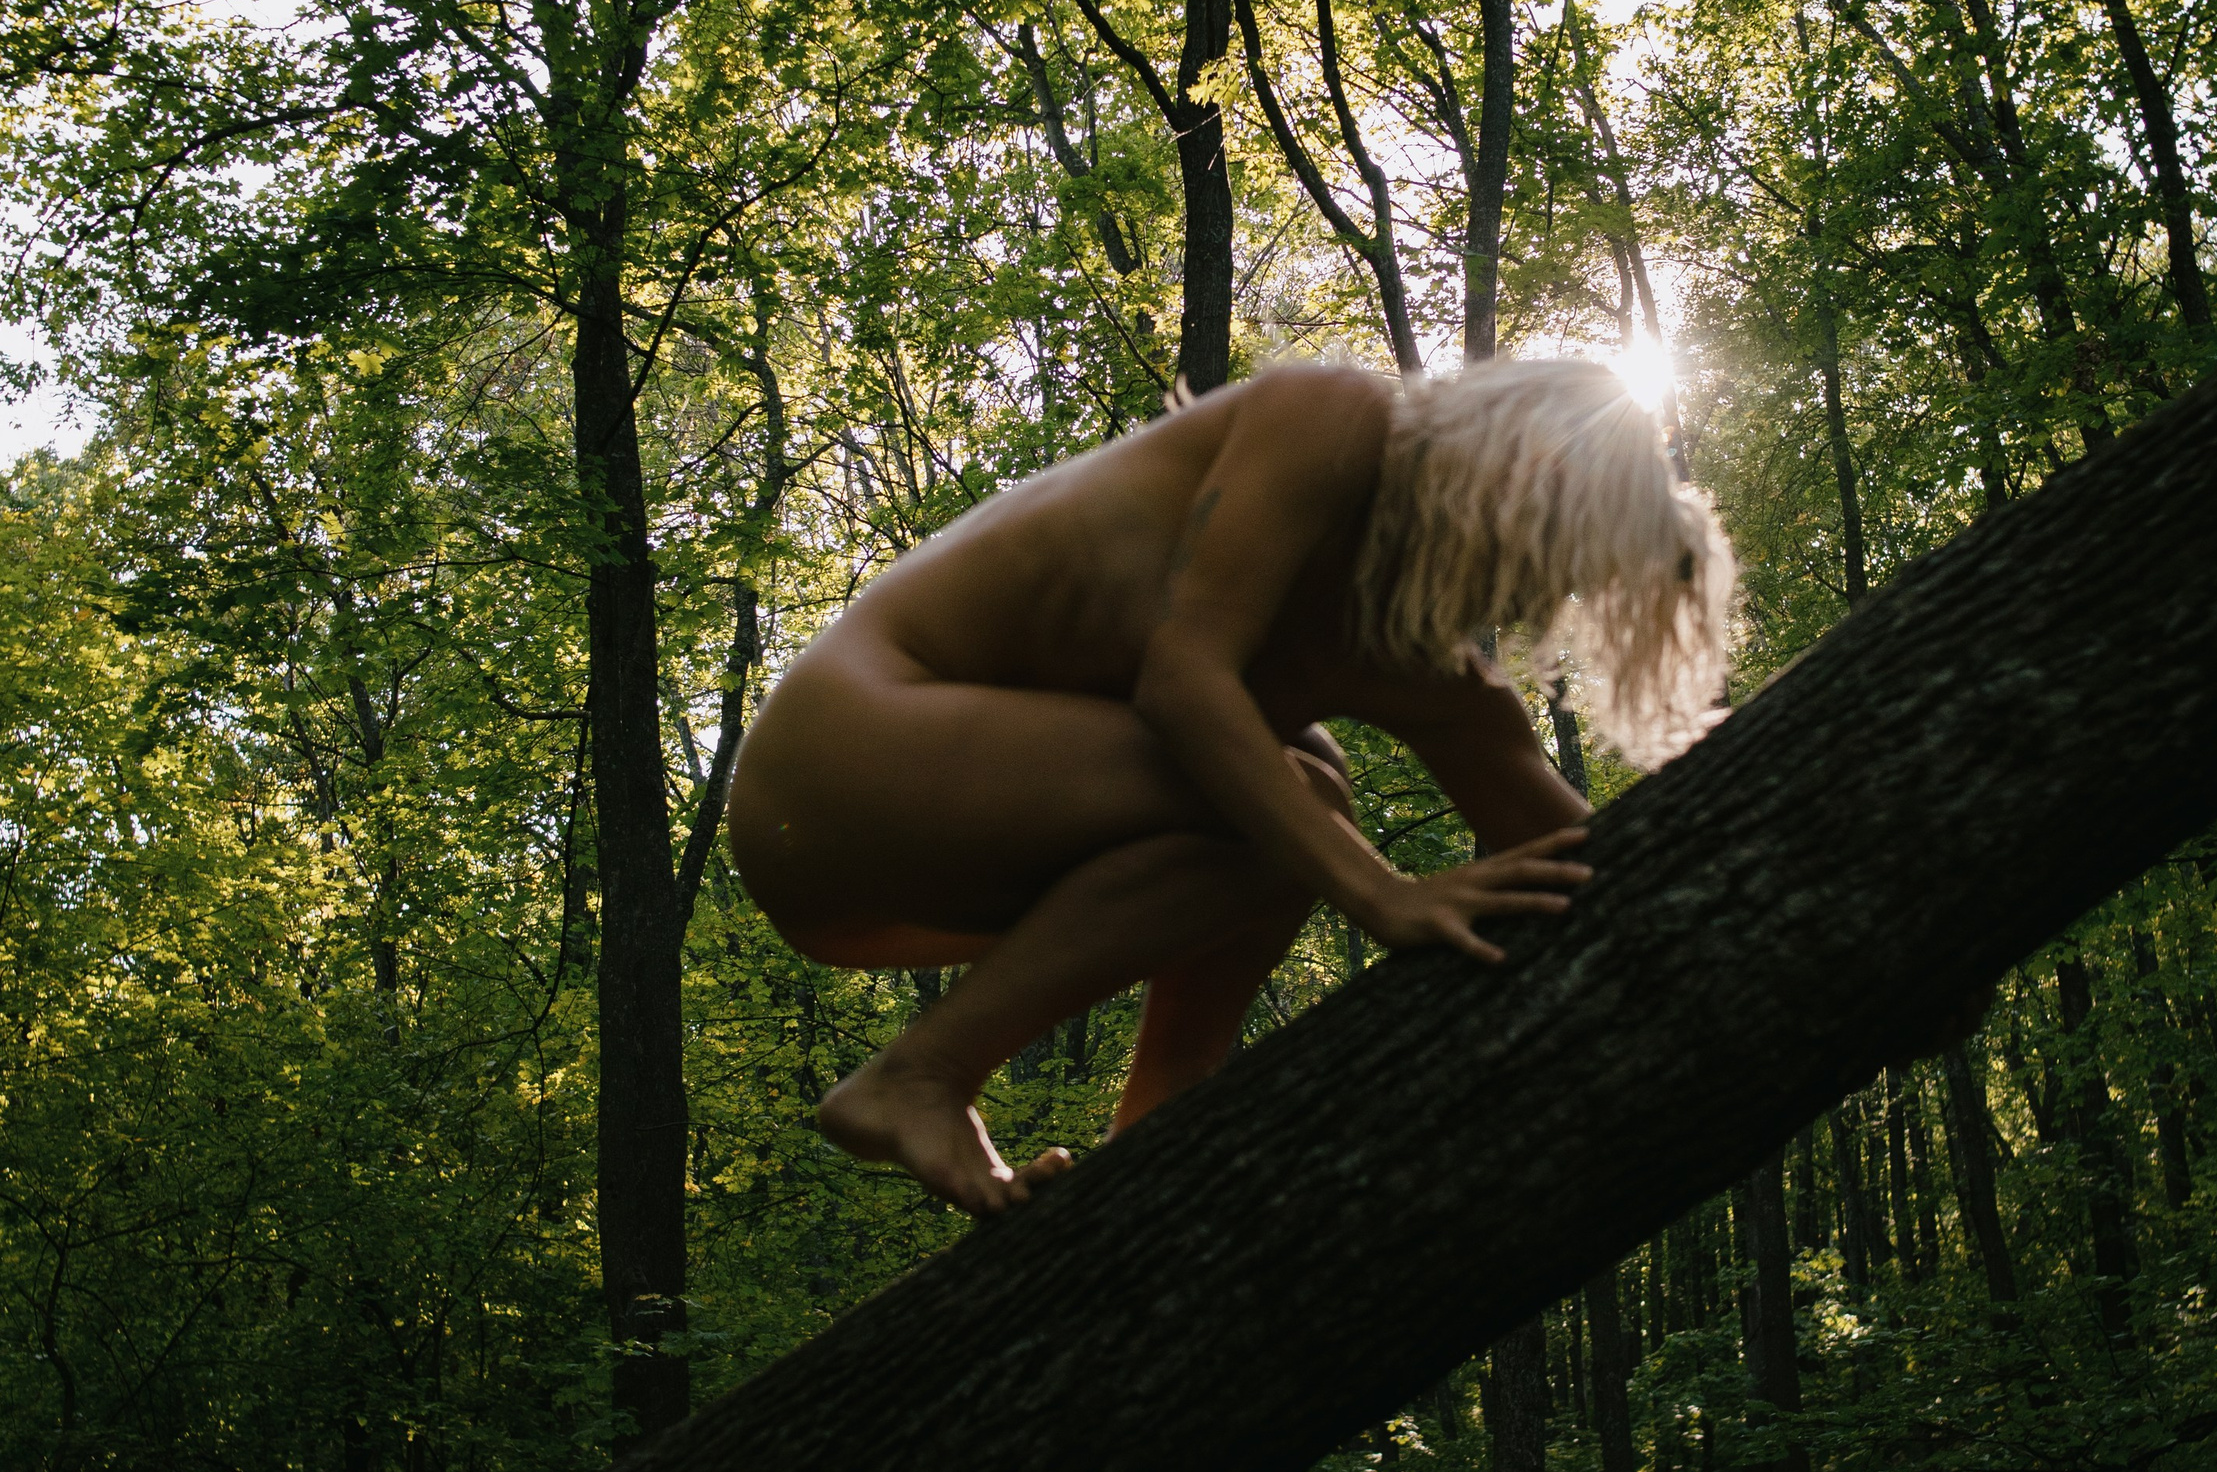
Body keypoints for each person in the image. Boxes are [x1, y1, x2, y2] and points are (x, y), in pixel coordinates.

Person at [725, 355, 1734, 1217]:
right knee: (1298, 795)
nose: (1532, 599)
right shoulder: (1333, 416)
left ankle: (1153, 1144)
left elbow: (1591, 868)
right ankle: (922, 1075)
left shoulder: (1424, 668)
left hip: (908, 872)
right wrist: (1385, 894)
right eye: (1554, 552)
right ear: (1525, 473)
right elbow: (1184, 679)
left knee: (1298, 794)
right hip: (836, 759)